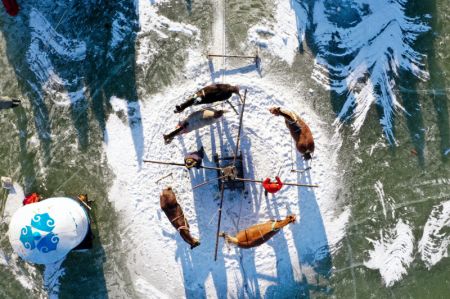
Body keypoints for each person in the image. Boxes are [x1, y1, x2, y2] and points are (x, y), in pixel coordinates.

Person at [174, 84, 240, 113]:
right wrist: (210, 87)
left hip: (207, 96)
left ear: (233, 90)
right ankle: (182, 107)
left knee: (194, 100)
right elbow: (218, 85)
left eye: (234, 88)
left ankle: (181, 108)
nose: (233, 87)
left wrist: (217, 92)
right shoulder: (228, 85)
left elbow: (217, 98)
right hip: (207, 90)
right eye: (234, 87)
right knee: (193, 97)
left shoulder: (228, 95)